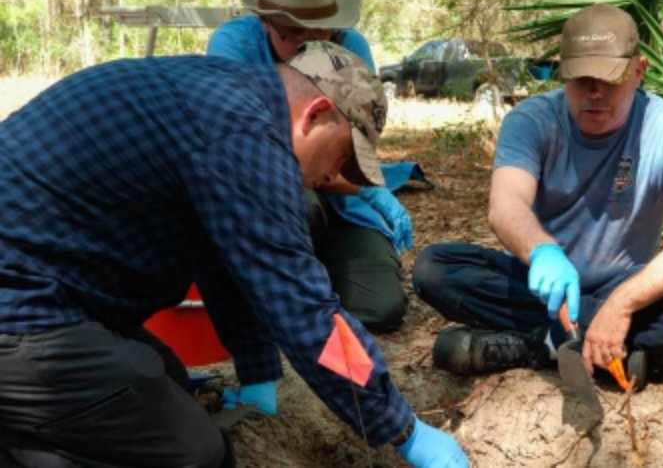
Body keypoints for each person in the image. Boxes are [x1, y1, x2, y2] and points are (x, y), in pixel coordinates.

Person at [0, 42, 468, 468]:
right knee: (193, 454)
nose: (332, 177)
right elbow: (308, 314)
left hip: (54, 290)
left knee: (166, 387)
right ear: (317, 114)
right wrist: (403, 430)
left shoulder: (224, 97)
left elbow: (224, 261)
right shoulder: (242, 137)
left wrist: (257, 369)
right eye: (343, 156)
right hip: (22, 306)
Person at [412, 4, 663, 385]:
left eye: (610, 80)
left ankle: (542, 345)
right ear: (561, 71)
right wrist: (542, 251)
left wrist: (623, 304)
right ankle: (602, 346)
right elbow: (507, 205)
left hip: (625, 285)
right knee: (434, 268)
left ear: (639, 72)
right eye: (582, 79)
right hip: (539, 285)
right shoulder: (531, 120)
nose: (595, 93)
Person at [208, 0, 411, 335]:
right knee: (300, 203)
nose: (309, 45)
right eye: (294, 33)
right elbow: (240, 153)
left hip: (344, 200)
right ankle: (284, 288)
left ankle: (315, 279)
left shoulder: (352, 48)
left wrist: (370, 191)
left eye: (320, 32)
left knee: (380, 308)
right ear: (266, 23)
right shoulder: (234, 47)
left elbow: (354, 154)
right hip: (272, 194)